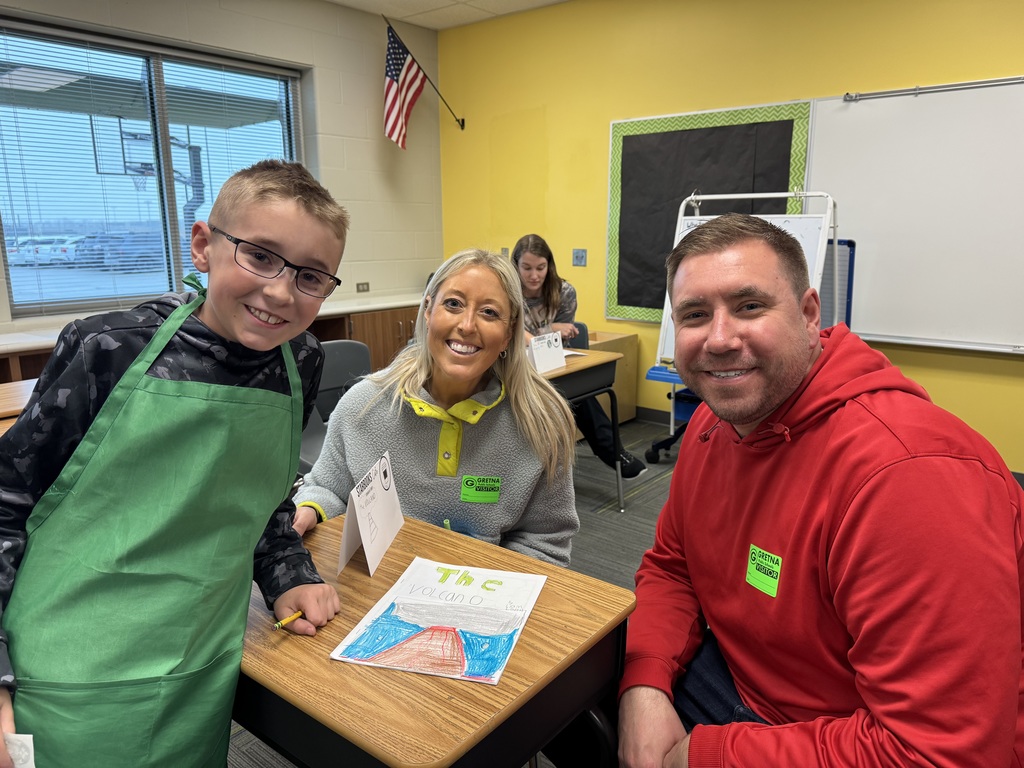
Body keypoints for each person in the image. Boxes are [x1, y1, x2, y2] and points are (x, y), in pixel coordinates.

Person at [617, 212, 1024, 767]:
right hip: (744, 681)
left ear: (809, 315)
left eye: (749, 306)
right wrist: (645, 683)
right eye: (694, 314)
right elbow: (673, 566)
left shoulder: (908, 478)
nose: (718, 338)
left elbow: (940, 752)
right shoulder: (714, 425)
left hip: (850, 734)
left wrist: (709, 755)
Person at [0, 159, 348, 768]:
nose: (279, 291)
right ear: (203, 245)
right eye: (260, 255)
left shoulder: (300, 362)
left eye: (312, 277)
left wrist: (288, 573)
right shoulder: (106, 348)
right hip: (64, 679)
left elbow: (263, 503)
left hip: (199, 668)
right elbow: (5, 507)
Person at [292, 248, 579, 567]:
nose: (467, 325)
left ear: (509, 333)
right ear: (428, 311)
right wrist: (308, 509)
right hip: (380, 586)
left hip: (483, 596)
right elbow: (328, 490)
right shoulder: (363, 405)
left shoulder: (541, 422)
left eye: (489, 312)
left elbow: (545, 541)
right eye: (453, 304)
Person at [512, 233, 647, 479]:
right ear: (515, 266)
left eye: (540, 268)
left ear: (549, 265)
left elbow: (560, 340)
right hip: (516, 368)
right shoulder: (507, 292)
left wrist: (540, 334)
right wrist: (547, 330)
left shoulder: (563, 291)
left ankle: (614, 453)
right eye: (527, 268)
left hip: (552, 365)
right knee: (567, 395)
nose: (534, 275)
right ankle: (612, 453)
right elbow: (511, 333)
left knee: (579, 392)